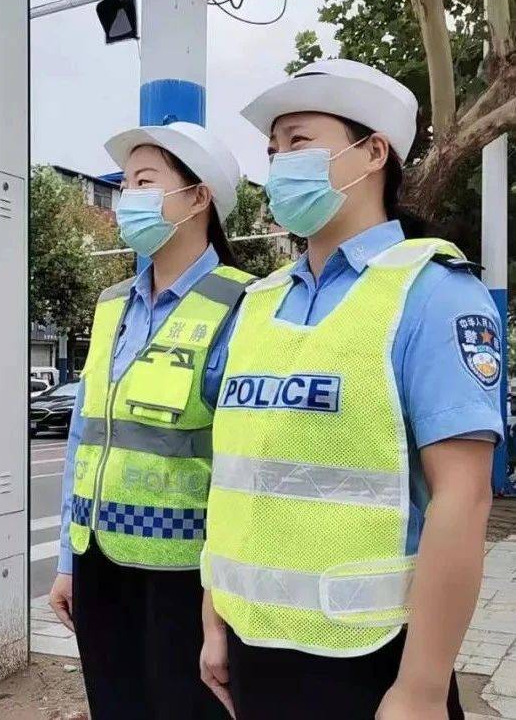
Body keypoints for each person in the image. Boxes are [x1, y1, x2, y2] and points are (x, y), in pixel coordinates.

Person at [200, 59, 503, 720]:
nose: (278, 163)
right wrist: (214, 621)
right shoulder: (255, 304)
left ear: (371, 152)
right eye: (272, 149)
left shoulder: (431, 293)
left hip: (370, 662)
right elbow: (235, 482)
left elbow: (463, 496)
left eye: (298, 141)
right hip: (253, 649)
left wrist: (421, 688)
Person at [48, 122, 255, 719]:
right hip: (99, 563)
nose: (125, 200)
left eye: (144, 181)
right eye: (123, 185)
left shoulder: (243, 304)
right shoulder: (112, 303)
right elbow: (83, 439)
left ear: (198, 197)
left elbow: (246, 462)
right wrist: (68, 559)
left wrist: (221, 594)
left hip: (186, 574)